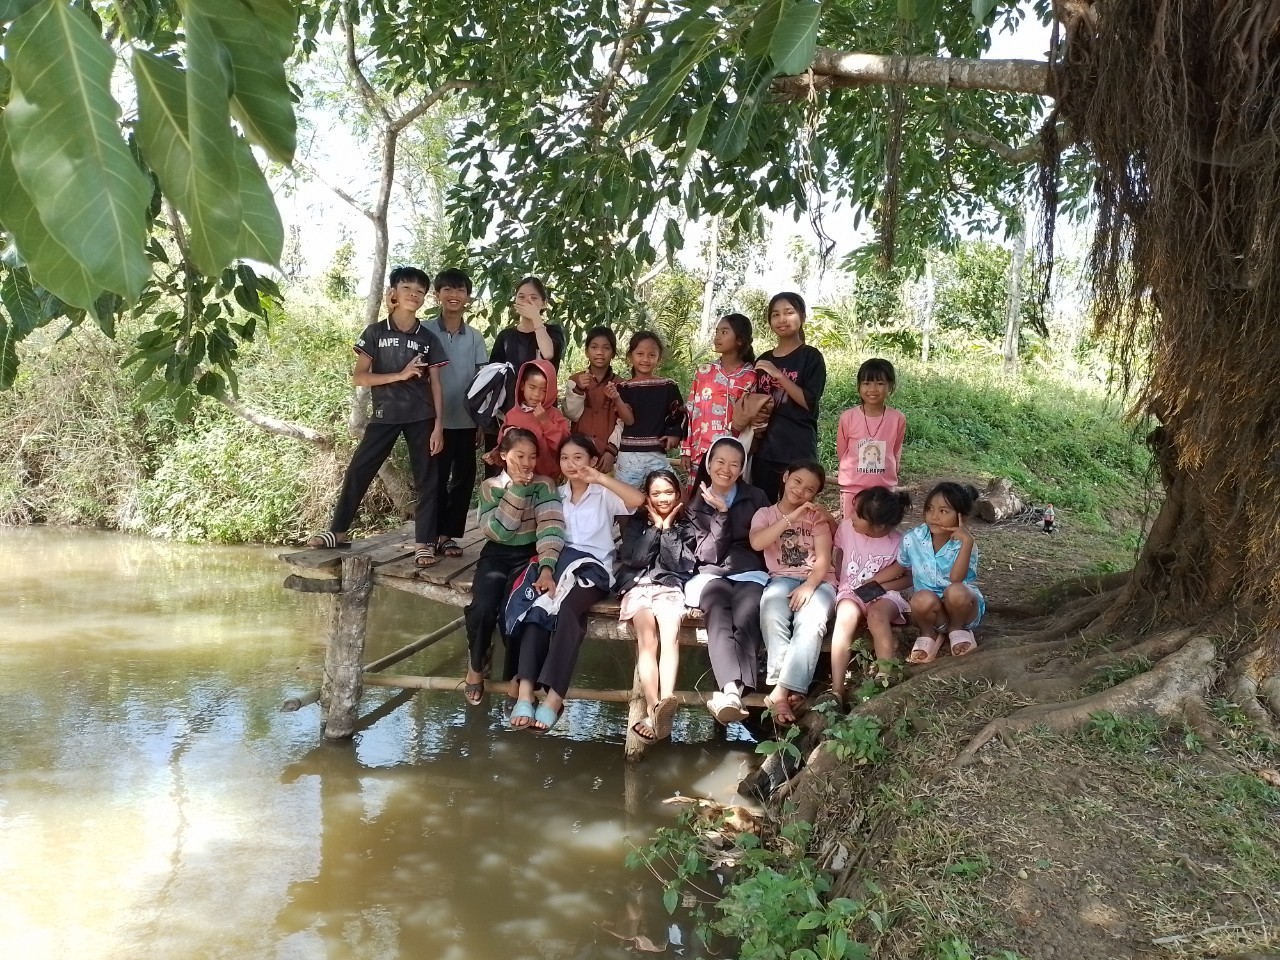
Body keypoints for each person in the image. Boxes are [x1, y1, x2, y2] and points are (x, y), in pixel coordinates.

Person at [307, 266, 447, 567]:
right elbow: (360, 377)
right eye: (407, 287)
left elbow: (436, 383)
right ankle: (338, 531)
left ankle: (424, 542)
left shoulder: (429, 338)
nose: (414, 294)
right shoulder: (375, 332)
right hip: (385, 414)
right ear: (393, 292)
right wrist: (400, 374)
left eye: (420, 291)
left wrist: (439, 425)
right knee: (360, 468)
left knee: (428, 479)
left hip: (422, 415)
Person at [507, 435, 645, 732]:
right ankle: (525, 692)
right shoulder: (554, 495)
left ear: (592, 460)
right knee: (537, 609)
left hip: (593, 570)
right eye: (565, 458)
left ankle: (554, 697)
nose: (571, 464)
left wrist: (600, 478)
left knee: (569, 610)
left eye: (578, 457)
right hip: (557, 566)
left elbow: (638, 501)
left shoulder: (604, 493)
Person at [462, 428, 565, 705]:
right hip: (496, 554)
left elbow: (551, 528)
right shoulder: (491, 487)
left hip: (530, 556)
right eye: (520, 455)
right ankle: (476, 664)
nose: (527, 463)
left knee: (516, 611)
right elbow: (499, 532)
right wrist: (518, 489)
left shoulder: (545, 486)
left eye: (532, 456)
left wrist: (547, 567)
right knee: (483, 607)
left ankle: (516, 678)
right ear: (504, 455)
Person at [685, 435, 771, 725]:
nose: (726, 469)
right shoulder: (696, 503)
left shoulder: (756, 497)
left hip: (750, 570)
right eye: (720, 461)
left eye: (735, 464)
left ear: (742, 468)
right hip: (712, 572)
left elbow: (763, 541)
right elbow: (708, 553)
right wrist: (722, 513)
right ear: (709, 464)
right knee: (717, 611)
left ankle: (733, 692)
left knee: (747, 612)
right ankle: (732, 690)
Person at [749, 461, 837, 725]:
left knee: (810, 621)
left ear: (815, 494)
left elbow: (824, 559)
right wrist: (792, 517)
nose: (800, 491)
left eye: (809, 489)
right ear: (786, 477)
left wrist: (809, 585)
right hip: (781, 579)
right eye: (797, 481)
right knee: (771, 610)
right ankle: (790, 688)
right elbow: (758, 542)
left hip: (819, 580)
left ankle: (780, 692)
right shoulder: (765, 514)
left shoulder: (816, 517)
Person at [616, 468, 697, 743]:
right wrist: (655, 528)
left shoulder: (686, 526)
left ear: (678, 494)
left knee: (670, 634)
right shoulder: (635, 524)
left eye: (669, 492)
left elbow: (679, 564)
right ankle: (654, 708)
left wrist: (669, 528)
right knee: (647, 639)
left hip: (669, 586)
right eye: (656, 493)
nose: (663, 498)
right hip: (637, 586)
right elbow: (636, 559)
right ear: (647, 496)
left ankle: (667, 700)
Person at [829, 486, 914, 701]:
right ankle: (837, 689)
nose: (851, 517)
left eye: (859, 515)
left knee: (877, 615)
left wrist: (882, 586)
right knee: (845, 616)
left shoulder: (900, 543)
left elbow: (909, 578)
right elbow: (840, 554)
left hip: (886, 595)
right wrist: (841, 579)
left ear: (879, 525)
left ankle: (884, 677)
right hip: (851, 591)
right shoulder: (847, 528)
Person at [427, 268, 489, 558]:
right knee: (434, 479)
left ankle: (448, 536)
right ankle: (429, 535)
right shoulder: (425, 330)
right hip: (433, 421)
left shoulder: (475, 337)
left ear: (468, 297)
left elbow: (482, 381)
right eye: (448, 289)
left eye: (460, 290)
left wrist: (481, 422)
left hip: (466, 421)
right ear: (437, 295)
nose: (454, 295)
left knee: (462, 480)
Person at [749, 293, 828, 503]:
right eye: (776, 314)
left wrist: (778, 375)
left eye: (789, 312)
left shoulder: (811, 357)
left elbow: (809, 402)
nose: (782, 319)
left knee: (798, 510)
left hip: (798, 449)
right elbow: (754, 400)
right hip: (765, 450)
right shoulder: (763, 360)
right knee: (762, 508)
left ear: (802, 316)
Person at [483, 277, 566, 475]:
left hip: (541, 415)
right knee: (503, 474)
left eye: (533, 298)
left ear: (544, 303)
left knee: (538, 470)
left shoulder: (553, 332)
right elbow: (493, 376)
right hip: (508, 415)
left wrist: (537, 319)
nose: (527, 302)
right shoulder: (506, 336)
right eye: (521, 297)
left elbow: (548, 353)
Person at [899, 481, 986, 663]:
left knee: (956, 591)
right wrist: (877, 582)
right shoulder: (912, 539)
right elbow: (900, 566)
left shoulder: (965, 543)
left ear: (961, 517)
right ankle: (928, 633)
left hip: (963, 608)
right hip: (930, 610)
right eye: (930, 509)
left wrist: (967, 542)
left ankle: (957, 629)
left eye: (943, 511)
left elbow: (956, 578)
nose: (934, 516)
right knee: (920, 598)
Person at [680, 313, 758, 484]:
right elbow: (690, 411)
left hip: (731, 458)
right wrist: (686, 450)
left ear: (740, 340)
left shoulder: (750, 376)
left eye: (724, 332)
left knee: (726, 498)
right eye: (716, 332)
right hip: (700, 452)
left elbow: (751, 423)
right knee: (697, 497)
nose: (717, 337)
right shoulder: (704, 372)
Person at [836, 358, 907, 521]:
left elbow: (895, 450)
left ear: (891, 386)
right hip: (852, 488)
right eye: (866, 383)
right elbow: (842, 452)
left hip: (884, 489)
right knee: (849, 528)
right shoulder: (848, 417)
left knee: (879, 527)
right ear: (859, 386)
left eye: (880, 383)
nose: (872, 389)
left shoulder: (898, 419)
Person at [615, 331, 687, 487]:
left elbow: (678, 413)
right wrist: (616, 398)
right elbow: (628, 420)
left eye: (652, 355)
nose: (645, 359)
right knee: (624, 498)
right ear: (630, 356)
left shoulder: (668, 386)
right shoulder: (623, 388)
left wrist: (673, 433)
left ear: (659, 358)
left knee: (673, 493)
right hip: (629, 455)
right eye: (640, 354)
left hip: (657, 453)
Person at [562, 326, 632, 474]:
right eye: (594, 347)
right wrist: (579, 389)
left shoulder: (621, 385)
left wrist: (611, 451)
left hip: (607, 457)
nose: (600, 352)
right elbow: (571, 415)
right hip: (579, 454)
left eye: (606, 348)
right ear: (586, 351)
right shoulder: (575, 380)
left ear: (613, 353)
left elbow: (622, 423)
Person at [492, 360, 571, 480]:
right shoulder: (512, 415)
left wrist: (546, 422)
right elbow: (504, 441)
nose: (536, 394)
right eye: (532, 387)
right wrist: (496, 452)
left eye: (544, 390)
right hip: (517, 477)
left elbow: (564, 445)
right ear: (522, 386)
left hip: (546, 478)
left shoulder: (554, 415)